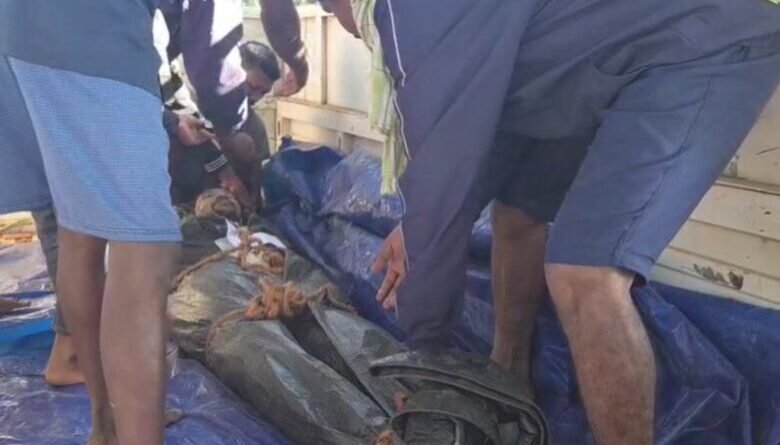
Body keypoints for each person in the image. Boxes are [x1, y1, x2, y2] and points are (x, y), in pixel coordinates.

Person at [259, 0, 780, 444]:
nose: (353, 34)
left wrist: (430, 356)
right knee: (516, 214)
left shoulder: (404, 12)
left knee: (584, 271)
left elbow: (441, 165)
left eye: (336, 15)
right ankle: (509, 380)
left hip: (698, 51)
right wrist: (414, 229)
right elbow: (473, 139)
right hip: (596, 72)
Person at [1, 1, 179, 444]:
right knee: (144, 249)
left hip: (18, 31)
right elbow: (213, 53)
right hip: (95, 31)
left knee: (77, 229)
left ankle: (105, 422)